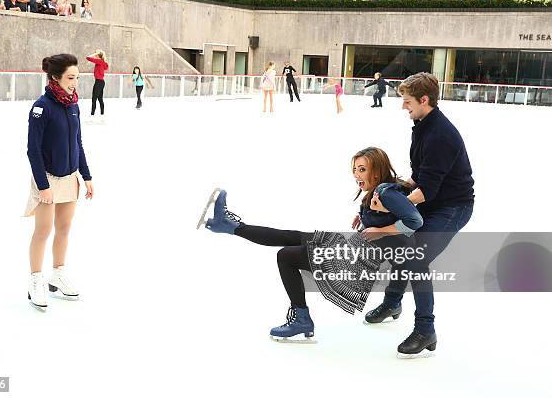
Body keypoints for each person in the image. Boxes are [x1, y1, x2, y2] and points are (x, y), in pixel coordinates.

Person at [197, 147, 424, 342]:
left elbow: (415, 221)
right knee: (293, 236)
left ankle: (301, 320)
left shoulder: (386, 193)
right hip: (356, 250)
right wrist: (366, 216)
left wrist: (379, 230)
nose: (356, 174)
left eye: (362, 169)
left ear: (378, 170)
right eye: (355, 169)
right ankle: (227, 225)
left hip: (356, 264)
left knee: (286, 256)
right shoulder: (379, 191)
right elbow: (393, 215)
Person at [364, 72, 474, 358]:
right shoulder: (423, 124)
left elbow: (425, 190)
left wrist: (390, 208)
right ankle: (393, 302)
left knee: (416, 257)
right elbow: (418, 178)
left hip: (453, 207)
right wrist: (378, 196)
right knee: (405, 250)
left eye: (407, 101)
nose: (403, 106)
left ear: (425, 100)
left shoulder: (440, 135)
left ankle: (426, 330)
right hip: (433, 198)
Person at [25, 53, 94, 310]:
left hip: (70, 177)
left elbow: (78, 143)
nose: (75, 82)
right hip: (47, 178)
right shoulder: (41, 107)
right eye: (70, 77)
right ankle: (35, 281)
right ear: (56, 77)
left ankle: (58, 274)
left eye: (77, 77)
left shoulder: (73, 105)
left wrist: (86, 176)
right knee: (43, 231)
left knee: (64, 229)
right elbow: (33, 150)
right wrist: (43, 186)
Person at [86, 50, 109, 118]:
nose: (95, 56)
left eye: (96, 55)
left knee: (94, 98)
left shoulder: (99, 61)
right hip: (101, 82)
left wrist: (95, 53)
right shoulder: (102, 62)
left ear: (98, 56)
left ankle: (92, 114)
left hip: (99, 82)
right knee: (100, 98)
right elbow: (106, 67)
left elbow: (88, 57)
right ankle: (102, 113)